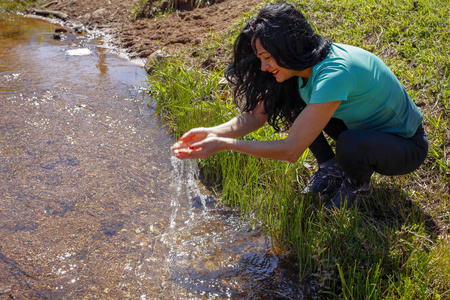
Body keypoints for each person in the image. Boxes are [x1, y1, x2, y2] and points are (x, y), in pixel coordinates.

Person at [172, 2, 428, 211]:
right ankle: (331, 169)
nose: (263, 67)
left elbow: (291, 150)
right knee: (293, 102)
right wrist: (212, 132)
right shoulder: (299, 69)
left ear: (288, 48)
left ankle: (357, 185)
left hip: (405, 146)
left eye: (266, 58)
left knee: (350, 144)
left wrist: (225, 145)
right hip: (364, 129)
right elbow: (255, 117)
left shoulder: (334, 74)